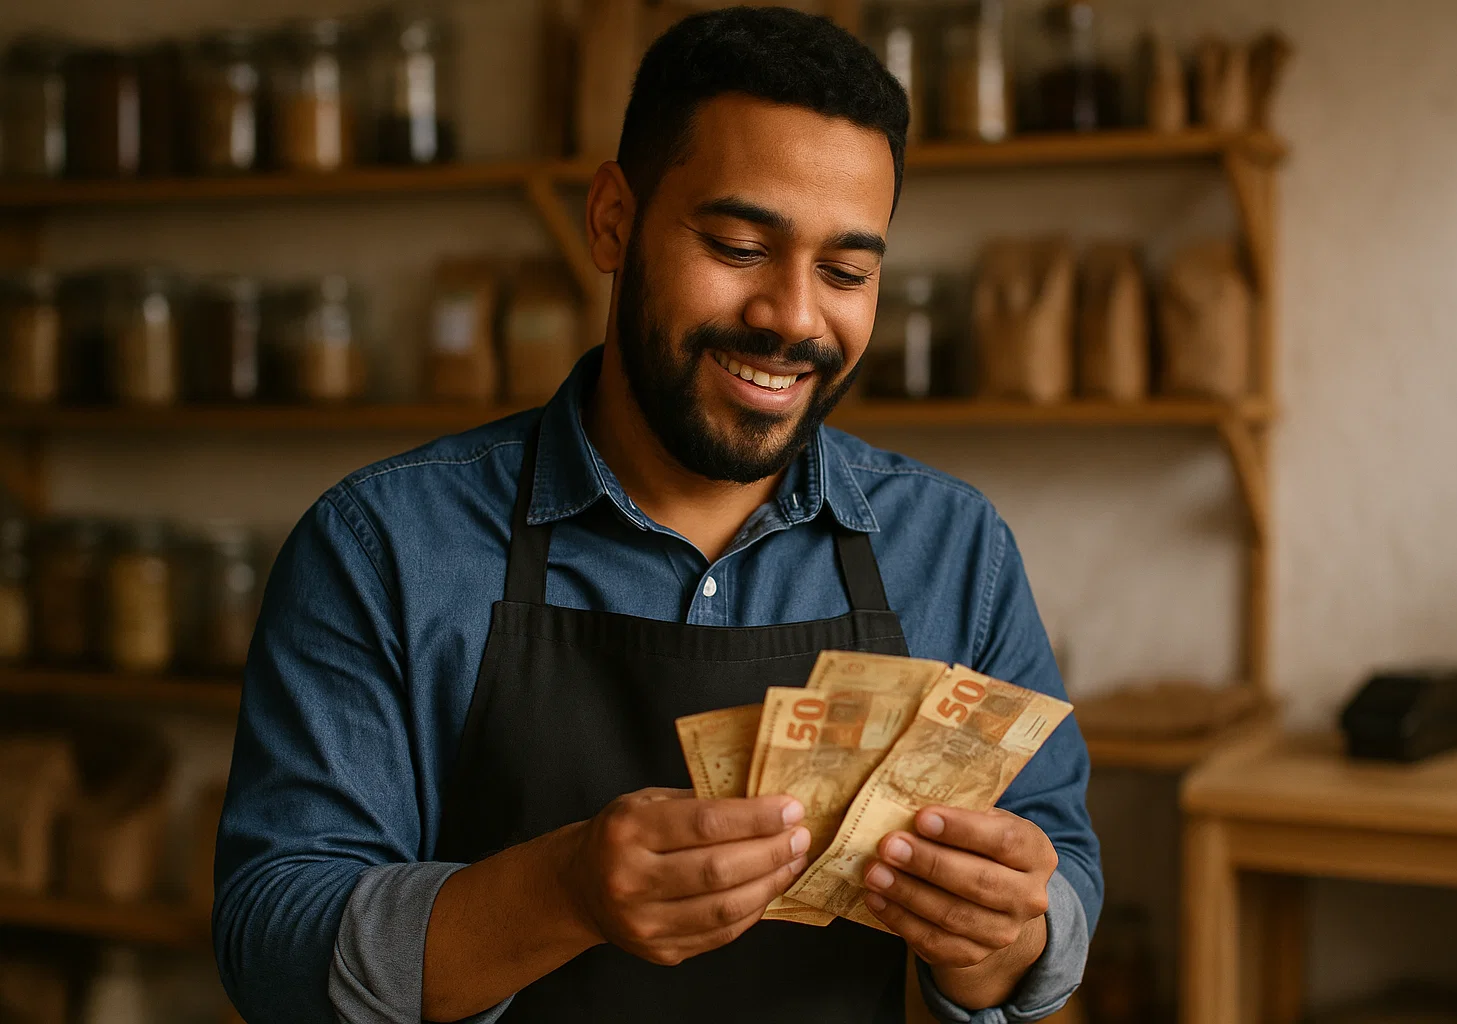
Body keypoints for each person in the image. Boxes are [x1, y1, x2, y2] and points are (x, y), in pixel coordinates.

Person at [213, 8, 1100, 1023]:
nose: (793, 316)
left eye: (846, 272)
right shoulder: (381, 547)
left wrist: (1001, 935)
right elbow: (272, 942)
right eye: (738, 246)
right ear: (612, 221)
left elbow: (1059, 881)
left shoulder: (955, 548)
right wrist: (561, 893)